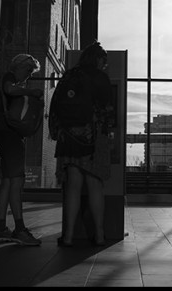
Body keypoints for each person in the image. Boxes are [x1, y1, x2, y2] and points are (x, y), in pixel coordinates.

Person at [51, 41, 113, 247]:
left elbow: (55, 106)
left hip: (68, 138)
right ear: (97, 59)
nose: (105, 65)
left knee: (73, 187)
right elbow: (107, 108)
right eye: (104, 61)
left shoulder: (69, 75)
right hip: (92, 137)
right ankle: (100, 235)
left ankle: (67, 237)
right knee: (95, 185)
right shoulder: (100, 78)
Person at [0, 54, 43, 246]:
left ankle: (1, 228)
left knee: (7, 182)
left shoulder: (8, 80)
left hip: (3, 134)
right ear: (19, 66)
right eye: (28, 71)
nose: (28, 76)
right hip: (11, 136)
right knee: (16, 182)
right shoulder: (9, 78)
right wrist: (31, 93)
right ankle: (20, 230)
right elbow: (10, 89)